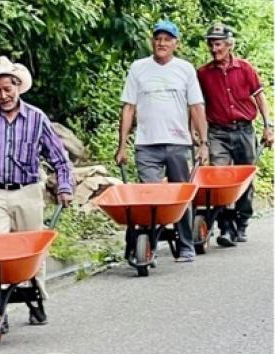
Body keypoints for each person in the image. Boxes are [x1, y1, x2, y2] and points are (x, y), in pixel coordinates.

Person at [0, 56, 74, 324]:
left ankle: (36, 300)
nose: (2, 95)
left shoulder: (36, 118)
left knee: (31, 253)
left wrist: (65, 186)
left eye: (7, 89)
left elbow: (59, 157)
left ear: (17, 86)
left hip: (27, 191)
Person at [115, 20, 209, 263]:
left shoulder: (185, 69)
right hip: (147, 144)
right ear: (152, 41)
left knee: (181, 197)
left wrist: (203, 143)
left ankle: (186, 245)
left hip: (178, 143)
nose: (162, 43)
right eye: (158, 38)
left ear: (175, 43)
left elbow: (197, 107)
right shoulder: (138, 68)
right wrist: (122, 145)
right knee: (150, 200)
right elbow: (128, 108)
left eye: (167, 39)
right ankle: (149, 248)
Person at [197, 23, 273, 245]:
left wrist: (269, 126)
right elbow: (197, 105)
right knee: (220, 180)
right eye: (210, 44)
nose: (213, 48)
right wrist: (196, 132)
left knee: (245, 179)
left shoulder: (245, 68)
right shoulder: (203, 73)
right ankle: (225, 227)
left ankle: (242, 222)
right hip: (218, 132)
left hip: (244, 130)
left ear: (229, 45)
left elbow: (260, 98)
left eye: (218, 43)